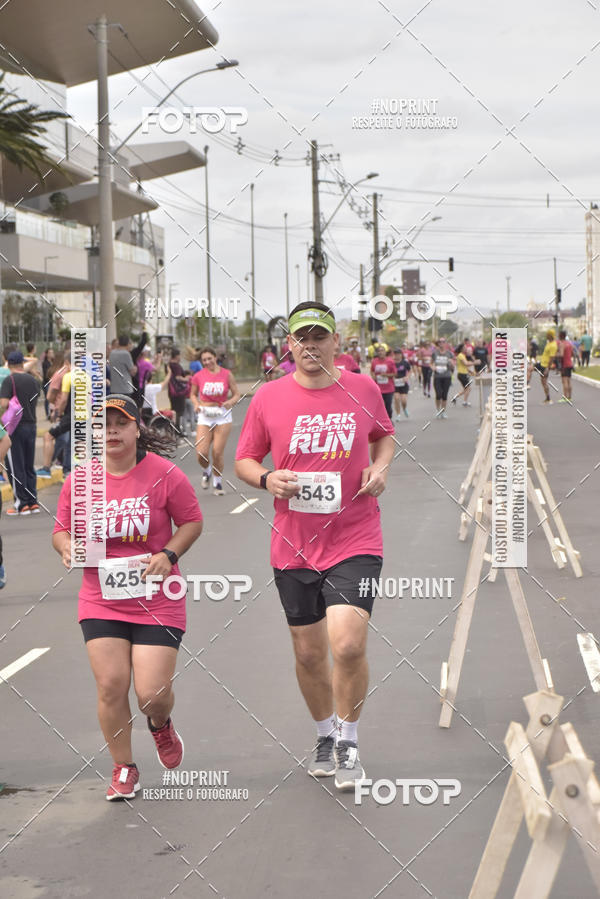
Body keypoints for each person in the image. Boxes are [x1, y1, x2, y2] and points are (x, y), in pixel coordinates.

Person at [235, 301, 395, 792]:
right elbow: (243, 459)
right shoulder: (269, 398)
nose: (310, 346)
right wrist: (267, 479)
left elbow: (384, 436)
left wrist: (380, 467)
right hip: (294, 544)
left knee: (347, 643)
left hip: (356, 535)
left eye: (319, 337)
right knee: (308, 654)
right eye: (301, 338)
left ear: (335, 343)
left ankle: (349, 741)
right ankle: (325, 733)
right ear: (289, 346)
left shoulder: (362, 388)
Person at [52, 394, 203, 801]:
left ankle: (160, 723)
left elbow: (191, 521)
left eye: (121, 423)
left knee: (151, 693)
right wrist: (66, 547)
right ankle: (124, 767)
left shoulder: (165, 474)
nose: (112, 431)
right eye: (103, 425)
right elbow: (61, 529)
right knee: (111, 685)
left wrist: (168, 554)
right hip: (101, 597)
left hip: (157, 595)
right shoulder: (79, 481)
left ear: (138, 429)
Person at [190, 346, 241, 496]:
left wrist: (230, 402)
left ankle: (217, 483)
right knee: (201, 453)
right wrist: (196, 404)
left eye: (209, 359)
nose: (207, 362)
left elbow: (237, 394)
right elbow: (192, 395)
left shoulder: (227, 374)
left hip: (222, 415)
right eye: (204, 360)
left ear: (215, 358)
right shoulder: (198, 376)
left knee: (217, 452)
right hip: (205, 414)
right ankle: (206, 472)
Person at [0, 351, 41, 514]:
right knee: (28, 465)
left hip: (14, 427)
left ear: (8, 363)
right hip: (32, 424)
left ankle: (21, 503)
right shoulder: (33, 380)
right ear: (22, 363)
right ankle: (33, 501)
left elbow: (3, 403)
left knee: (16, 465)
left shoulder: (9, 380)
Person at [167, 348, 191, 435]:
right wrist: (186, 378)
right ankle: (177, 429)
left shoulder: (169, 365)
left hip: (172, 391)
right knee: (179, 411)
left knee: (174, 410)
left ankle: (174, 429)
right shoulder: (176, 366)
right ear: (177, 356)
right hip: (178, 392)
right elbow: (178, 377)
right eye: (179, 355)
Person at [370, 344, 395, 419]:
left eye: (382, 351)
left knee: (388, 406)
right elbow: (372, 371)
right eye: (379, 351)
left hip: (389, 388)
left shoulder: (390, 361)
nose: (380, 352)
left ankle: (389, 419)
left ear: (385, 352)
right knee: (379, 407)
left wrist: (387, 375)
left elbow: (395, 373)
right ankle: (383, 421)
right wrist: (373, 376)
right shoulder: (374, 361)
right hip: (378, 388)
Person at [431, 338, 454, 419]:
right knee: (438, 394)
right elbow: (431, 363)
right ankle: (438, 410)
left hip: (447, 376)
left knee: (444, 395)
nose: (441, 343)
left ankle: (443, 412)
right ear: (438, 344)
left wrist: (451, 363)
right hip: (437, 376)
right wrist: (433, 367)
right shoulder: (435, 353)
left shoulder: (449, 354)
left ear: (445, 343)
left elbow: (452, 366)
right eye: (440, 342)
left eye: (443, 342)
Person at [539, 329, 558, 404]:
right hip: (542, 363)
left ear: (550, 335)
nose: (546, 335)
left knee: (544, 382)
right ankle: (548, 398)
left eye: (547, 334)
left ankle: (549, 399)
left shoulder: (553, 345)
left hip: (545, 365)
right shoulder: (549, 343)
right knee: (543, 382)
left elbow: (552, 358)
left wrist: (548, 368)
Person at [392, 348, 411, 420]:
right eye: (395, 354)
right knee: (396, 398)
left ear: (401, 355)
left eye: (398, 354)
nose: (397, 355)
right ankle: (398, 415)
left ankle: (404, 408)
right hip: (395, 383)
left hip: (403, 383)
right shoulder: (392, 362)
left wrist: (407, 377)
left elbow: (409, 370)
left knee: (403, 400)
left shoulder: (405, 362)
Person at [556, 330, 573, 403]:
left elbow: (561, 354)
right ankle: (569, 397)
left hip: (564, 364)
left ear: (560, 335)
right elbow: (571, 353)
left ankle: (565, 397)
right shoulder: (569, 343)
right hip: (569, 363)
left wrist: (555, 355)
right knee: (569, 381)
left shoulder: (561, 344)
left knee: (564, 381)